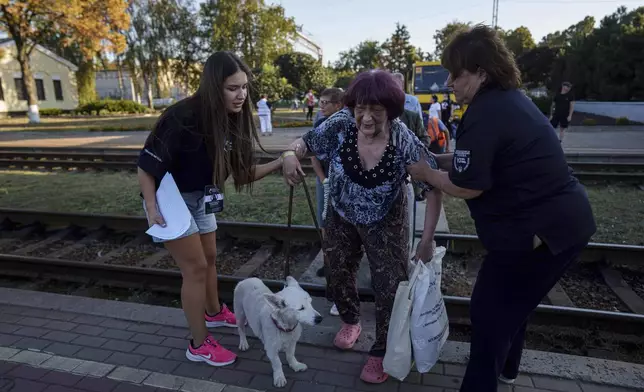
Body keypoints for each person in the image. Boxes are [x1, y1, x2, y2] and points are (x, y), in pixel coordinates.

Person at [419, 25, 596, 392]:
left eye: (457, 74)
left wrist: (425, 172)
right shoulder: (508, 101)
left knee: (489, 315)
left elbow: (469, 184)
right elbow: (478, 161)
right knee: (514, 306)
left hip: (536, 232)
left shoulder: (484, 113)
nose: (450, 82)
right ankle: (509, 370)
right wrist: (438, 159)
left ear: (481, 72)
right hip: (561, 224)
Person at [281, 70, 443, 384]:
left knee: (389, 287)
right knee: (337, 270)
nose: (366, 119)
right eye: (361, 110)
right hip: (341, 215)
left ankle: (382, 349)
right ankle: (351, 320)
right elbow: (304, 143)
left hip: (387, 221)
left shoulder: (403, 140)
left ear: (391, 112)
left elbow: (434, 187)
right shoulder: (341, 124)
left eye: (376, 112)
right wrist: (290, 154)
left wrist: (426, 240)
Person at [137, 51, 283, 367]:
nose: (241, 95)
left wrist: (281, 161)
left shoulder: (234, 121)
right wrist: (151, 206)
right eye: (233, 88)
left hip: (202, 195)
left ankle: (214, 312)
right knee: (196, 268)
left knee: (211, 257)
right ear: (214, 86)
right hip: (169, 197)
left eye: (244, 87)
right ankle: (199, 344)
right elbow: (146, 166)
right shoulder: (181, 117)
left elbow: (243, 173)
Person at [309, 87, 345, 318]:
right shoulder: (319, 123)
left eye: (325, 102)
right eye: (320, 102)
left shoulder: (346, 123)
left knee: (344, 233)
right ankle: (333, 287)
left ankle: (342, 286)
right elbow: (313, 155)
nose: (320, 106)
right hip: (326, 182)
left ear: (338, 105)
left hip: (344, 185)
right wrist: (325, 181)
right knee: (327, 230)